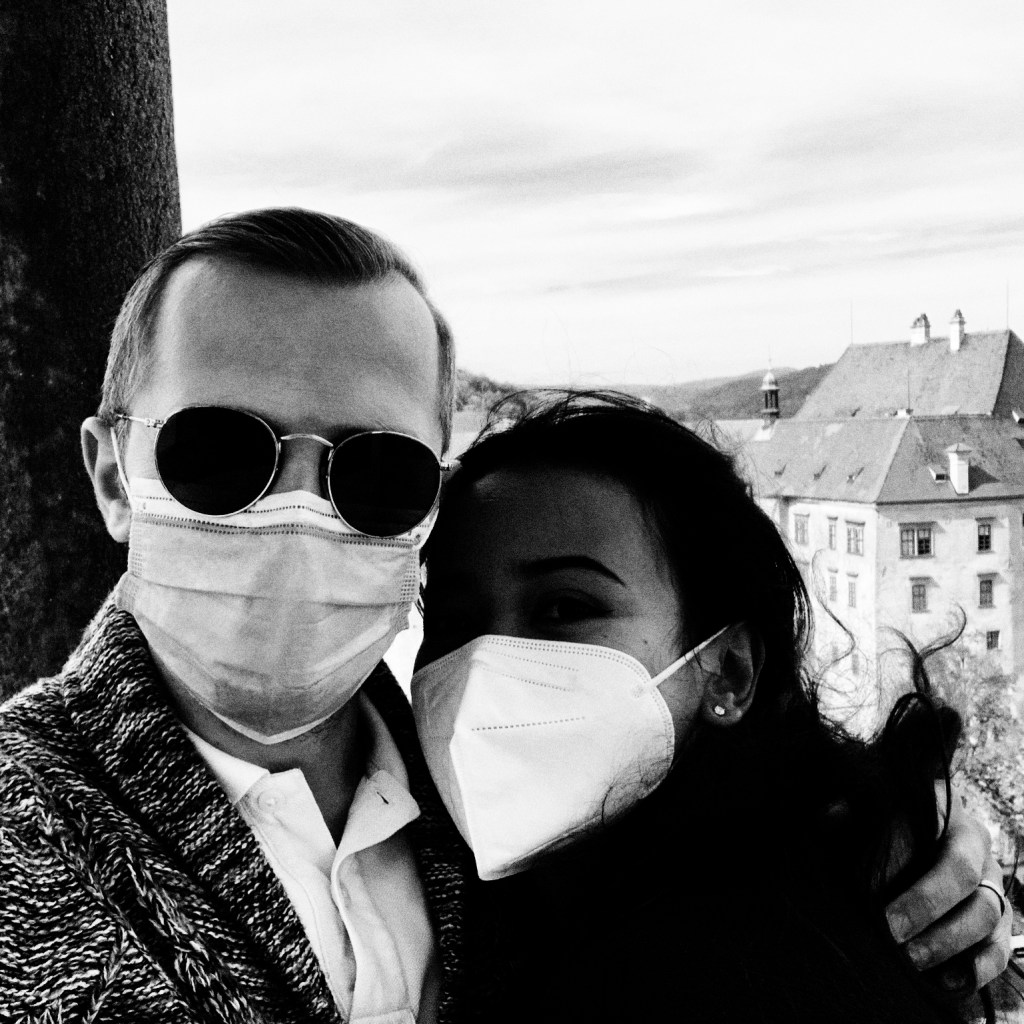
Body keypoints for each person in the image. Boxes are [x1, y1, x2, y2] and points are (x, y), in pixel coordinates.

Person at [0, 212, 1008, 1023]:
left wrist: (899, 831)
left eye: (375, 473)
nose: (300, 511)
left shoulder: (499, 813)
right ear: (112, 475)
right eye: (219, 454)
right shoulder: (28, 832)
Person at [411, 390, 1016, 1023]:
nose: (487, 662)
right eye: (453, 620)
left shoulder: (758, 967)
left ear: (728, 672)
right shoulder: (419, 840)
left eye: (565, 607)